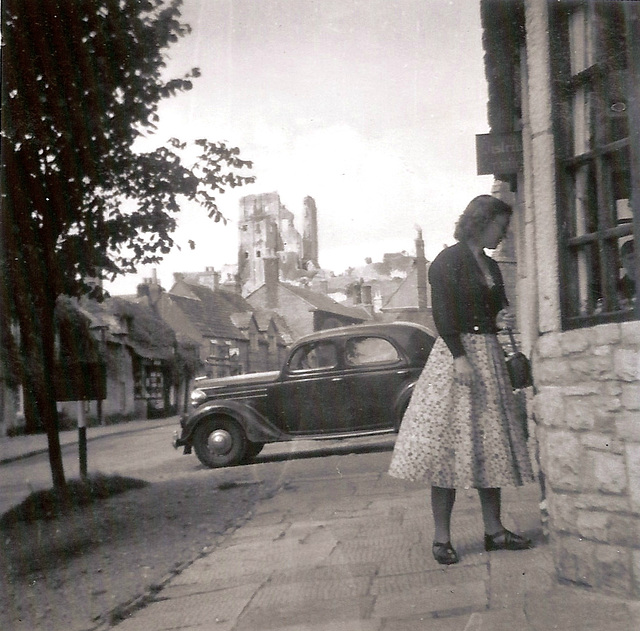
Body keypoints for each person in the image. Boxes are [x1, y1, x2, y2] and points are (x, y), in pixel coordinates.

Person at [388, 195, 534, 565]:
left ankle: (494, 531)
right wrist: (459, 357)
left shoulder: (490, 264)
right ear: (482, 222)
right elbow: (443, 315)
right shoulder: (447, 261)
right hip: (459, 360)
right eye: (501, 227)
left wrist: (501, 317)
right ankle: (442, 539)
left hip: (489, 356)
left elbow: (494, 307)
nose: (504, 235)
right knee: (446, 450)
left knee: (492, 445)